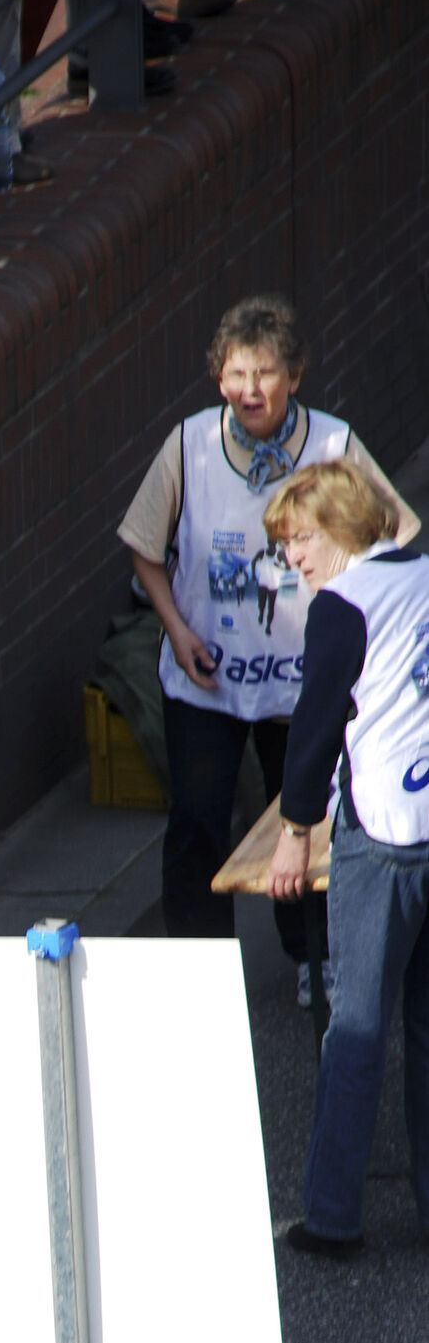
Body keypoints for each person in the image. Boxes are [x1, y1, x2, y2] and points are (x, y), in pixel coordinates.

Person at [118, 293, 418, 975]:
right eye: (234, 374)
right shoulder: (189, 444)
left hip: (303, 681)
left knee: (307, 824)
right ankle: (196, 971)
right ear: (216, 377)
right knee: (197, 821)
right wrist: (176, 628)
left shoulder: (331, 444)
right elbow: (141, 545)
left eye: (263, 374)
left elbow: (397, 532)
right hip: (206, 676)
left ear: (294, 374)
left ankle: (309, 954)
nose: (248, 390)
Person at [263, 462, 429, 1256]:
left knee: (355, 1028)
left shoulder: (342, 605)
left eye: (298, 537)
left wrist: (295, 829)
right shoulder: (423, 576)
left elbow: (316, 724)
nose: (291, 556)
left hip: (386, 835)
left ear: (339, 528)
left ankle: (331, 1217)